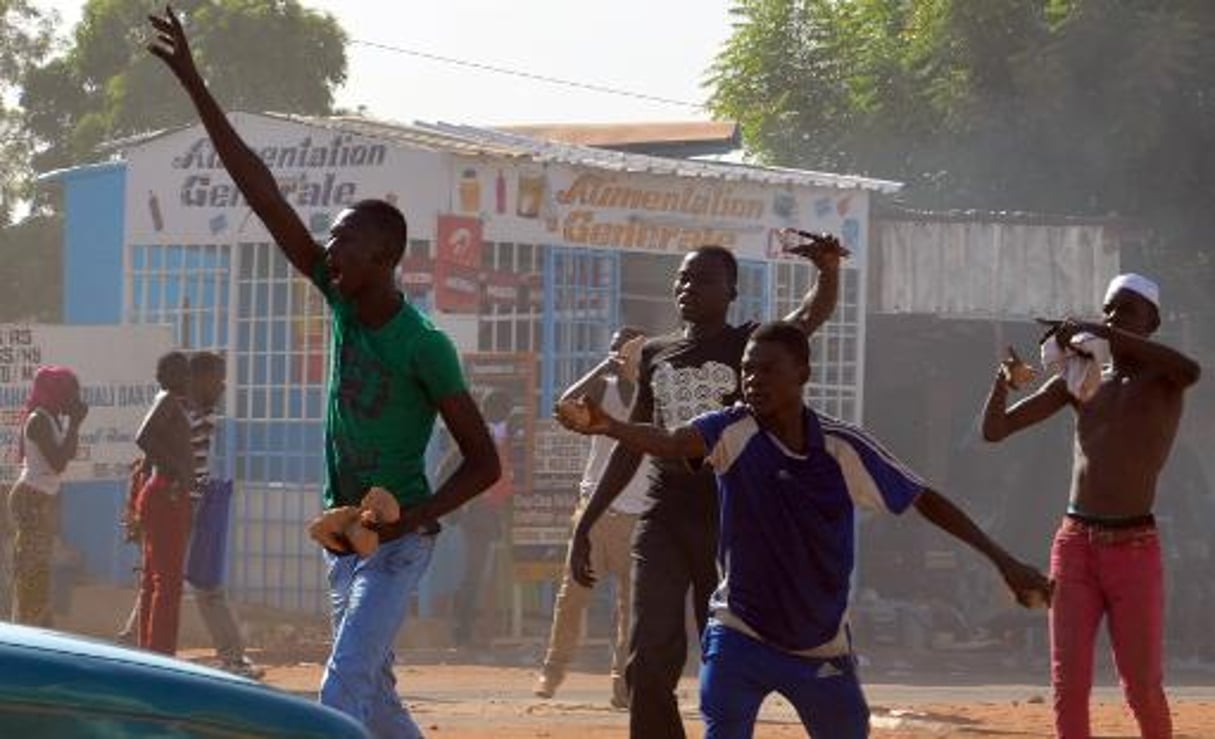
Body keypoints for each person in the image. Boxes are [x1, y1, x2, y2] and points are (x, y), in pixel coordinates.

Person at [149, 9, 501, 735]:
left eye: (344, 242)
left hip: (396, 544)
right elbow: (262, 192)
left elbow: (484, 460)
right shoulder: (340, 299)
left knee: (341, 680)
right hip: (343, 537)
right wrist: (194, 83)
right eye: (331, 240)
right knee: (374, 698)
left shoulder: (422, 343)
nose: (327, 250)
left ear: (383, 258)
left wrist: (413, 515)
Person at [557, 320, 1053, 739]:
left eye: (768, 369)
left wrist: (1003, 561)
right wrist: (611, 426)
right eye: (747, 370)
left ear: (802, 375)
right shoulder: (730, 430)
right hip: (738, 634)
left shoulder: (841, 448)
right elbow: (668, 441)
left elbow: (925, 500)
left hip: (819, 646)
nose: (753, 380)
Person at [571, 231, 845, 738]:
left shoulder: (748, 343)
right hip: (663, 513)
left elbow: (807, 317)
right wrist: (585, 522)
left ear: (731, 292)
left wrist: (827, 271)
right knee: (649, 649)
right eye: (681, 278)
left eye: (702, 279)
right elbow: (634, 442)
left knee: (725, 653)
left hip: (732, 518)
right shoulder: (655, 353)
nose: (687, 287)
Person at [981, 273, 1201, 739]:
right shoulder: (1080, 378)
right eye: (1108, 310)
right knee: (1069, 684)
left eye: (1126, 311)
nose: (1112, 318)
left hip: (1135, 549)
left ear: (1151, 323)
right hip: (1076, 545)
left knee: (1141, 687)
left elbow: (1191, 369)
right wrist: (1003, 381)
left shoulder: (1164, 380)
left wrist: (1101, 333)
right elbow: (996, 430)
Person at [534, 326, 648, 707]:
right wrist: (604, 365)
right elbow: (565, 406)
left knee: (631, 609)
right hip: (595, 514)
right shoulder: (604, 392)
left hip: (639, 518)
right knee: (573, 596)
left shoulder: (659, 397)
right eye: (616, 350)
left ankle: (623, 685)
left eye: (628, 352)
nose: (622, 357)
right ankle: (553, 671)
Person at [8, 365, 88, 626]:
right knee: (32, 570)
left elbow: (68, 453)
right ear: (56, 393)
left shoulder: (52, 418)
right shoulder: (39, 420)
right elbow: (58, 463)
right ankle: (29, 630)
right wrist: (75, 423)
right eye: (71, 394)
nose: (75, 400)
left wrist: (74, 424)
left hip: (42, 499)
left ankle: (35, 625)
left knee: (39, 568)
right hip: (32, 500)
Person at [133, 351, 196, 654]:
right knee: (168, 584)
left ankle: (151, 651)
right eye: (179, 372)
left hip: (162, 492)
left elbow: (148, 451)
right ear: (164, 376)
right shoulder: (168, 400)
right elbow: (143, 437)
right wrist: (178, 469)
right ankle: (161, 654)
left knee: (154, 581)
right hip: (165, 493)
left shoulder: (170, 402)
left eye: (187, 373)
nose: (186, 379)